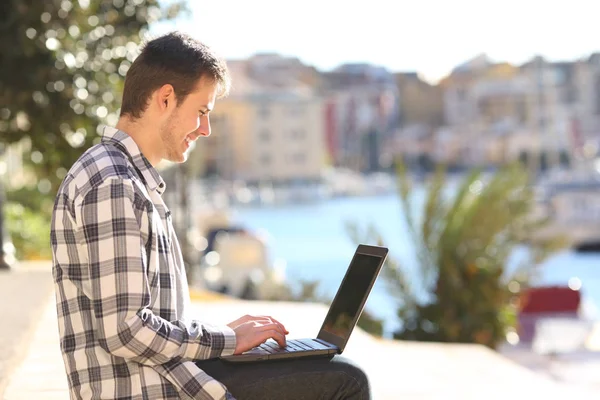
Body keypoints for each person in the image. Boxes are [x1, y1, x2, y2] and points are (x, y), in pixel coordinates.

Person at [50, 32, 370, 400]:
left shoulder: (122, 176)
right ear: (165, 98)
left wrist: (223, 339)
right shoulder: (114, 184)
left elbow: (144, 321)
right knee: (347, 380)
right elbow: (126, 330)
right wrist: (228, 340)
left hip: (164, 378)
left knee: (319, 368)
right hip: (149, 390)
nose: (206, 129)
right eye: (202, 112)